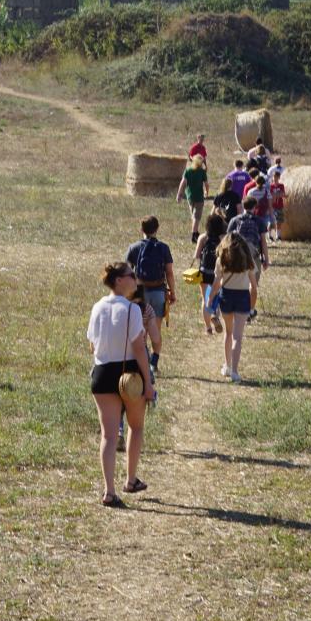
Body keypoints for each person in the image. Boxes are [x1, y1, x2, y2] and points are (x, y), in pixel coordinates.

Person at [87, 263, 156, 506]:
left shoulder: (97, 307)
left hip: (102, 372)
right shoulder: (132, 310)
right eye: (131, 275)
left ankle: (109, 490)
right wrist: (148, 383)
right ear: (118, 281)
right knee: (135, 427)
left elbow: (92, 345)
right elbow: (139, 348)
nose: (135, 279)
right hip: (129, 374)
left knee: (107, 434)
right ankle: (130, 479)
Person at [125, 215, 176, 354]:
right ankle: (154, 362)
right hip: (159, 292)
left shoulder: (133, 248)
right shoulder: (164, 248)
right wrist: (172, 292)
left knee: (141, 330)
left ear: (141, 229)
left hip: (140, 293)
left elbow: (126, 273)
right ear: (157, 229)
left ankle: (143, 359)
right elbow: (169, 273)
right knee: (156, 330)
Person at [211, 235, 259, 382]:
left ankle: (227, 365)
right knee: (238, 336)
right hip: (243, 298)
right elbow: (254, 288)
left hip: (226, 297)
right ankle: (235, 372)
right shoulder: (248, 262)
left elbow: (216, 283)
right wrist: (251, 307)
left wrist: (210, 299)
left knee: (228, 332)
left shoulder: (221, 260)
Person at [193, 210, 228, 333]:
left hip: (203, 272)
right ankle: (214, 315)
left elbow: (196, 255)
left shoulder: (203, 237)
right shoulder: (223, 238)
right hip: (216, 272)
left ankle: (208, 328)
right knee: (215, 296)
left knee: (205, 298)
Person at [176, 154, 209, 243]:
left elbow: (182, 183)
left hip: (189, 196)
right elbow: (206, 184)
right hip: (199, 196)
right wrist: (207, 192)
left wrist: (179, 194)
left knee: (193, 215)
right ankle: (194, 234)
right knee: (196, 216)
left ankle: (196, 231)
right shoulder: (202, 171)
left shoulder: (188, 170)